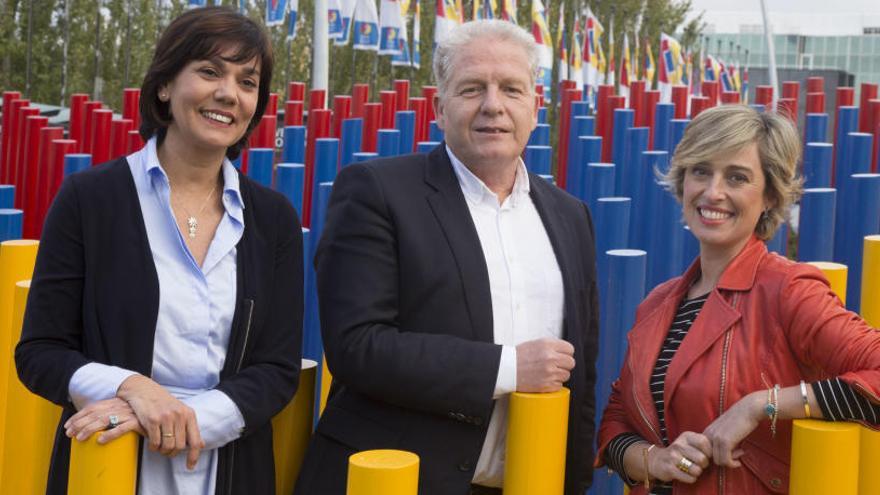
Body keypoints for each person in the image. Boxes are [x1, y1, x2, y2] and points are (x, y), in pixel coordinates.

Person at [294, 19, 599, 495]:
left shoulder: (570, 216)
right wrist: (511, 369)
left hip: (527, 482)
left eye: (511, 89)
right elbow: (358, 346)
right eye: (472, 88)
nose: (493, 105)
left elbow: (583, 374)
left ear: (535, 108)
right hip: (398, 480)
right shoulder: (377, 192)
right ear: (439, 108)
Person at [15, 7, 303, 494]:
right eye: (210, 71)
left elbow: (276, 369)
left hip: (228, 468)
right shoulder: (91, 199)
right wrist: (132, 389)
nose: (228, 94)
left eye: (247, 81)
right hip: (106, 461)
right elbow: (40, 352)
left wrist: (182, 417)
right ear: (165, 86)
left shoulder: (273, 217)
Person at [596, 104, 880, 494]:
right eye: (701, 171)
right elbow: (616, 419)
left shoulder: (789, 290)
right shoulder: (658, 303)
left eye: (737, 177)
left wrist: (762, 405)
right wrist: (656, 460)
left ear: (768, 196)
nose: (714, 192)